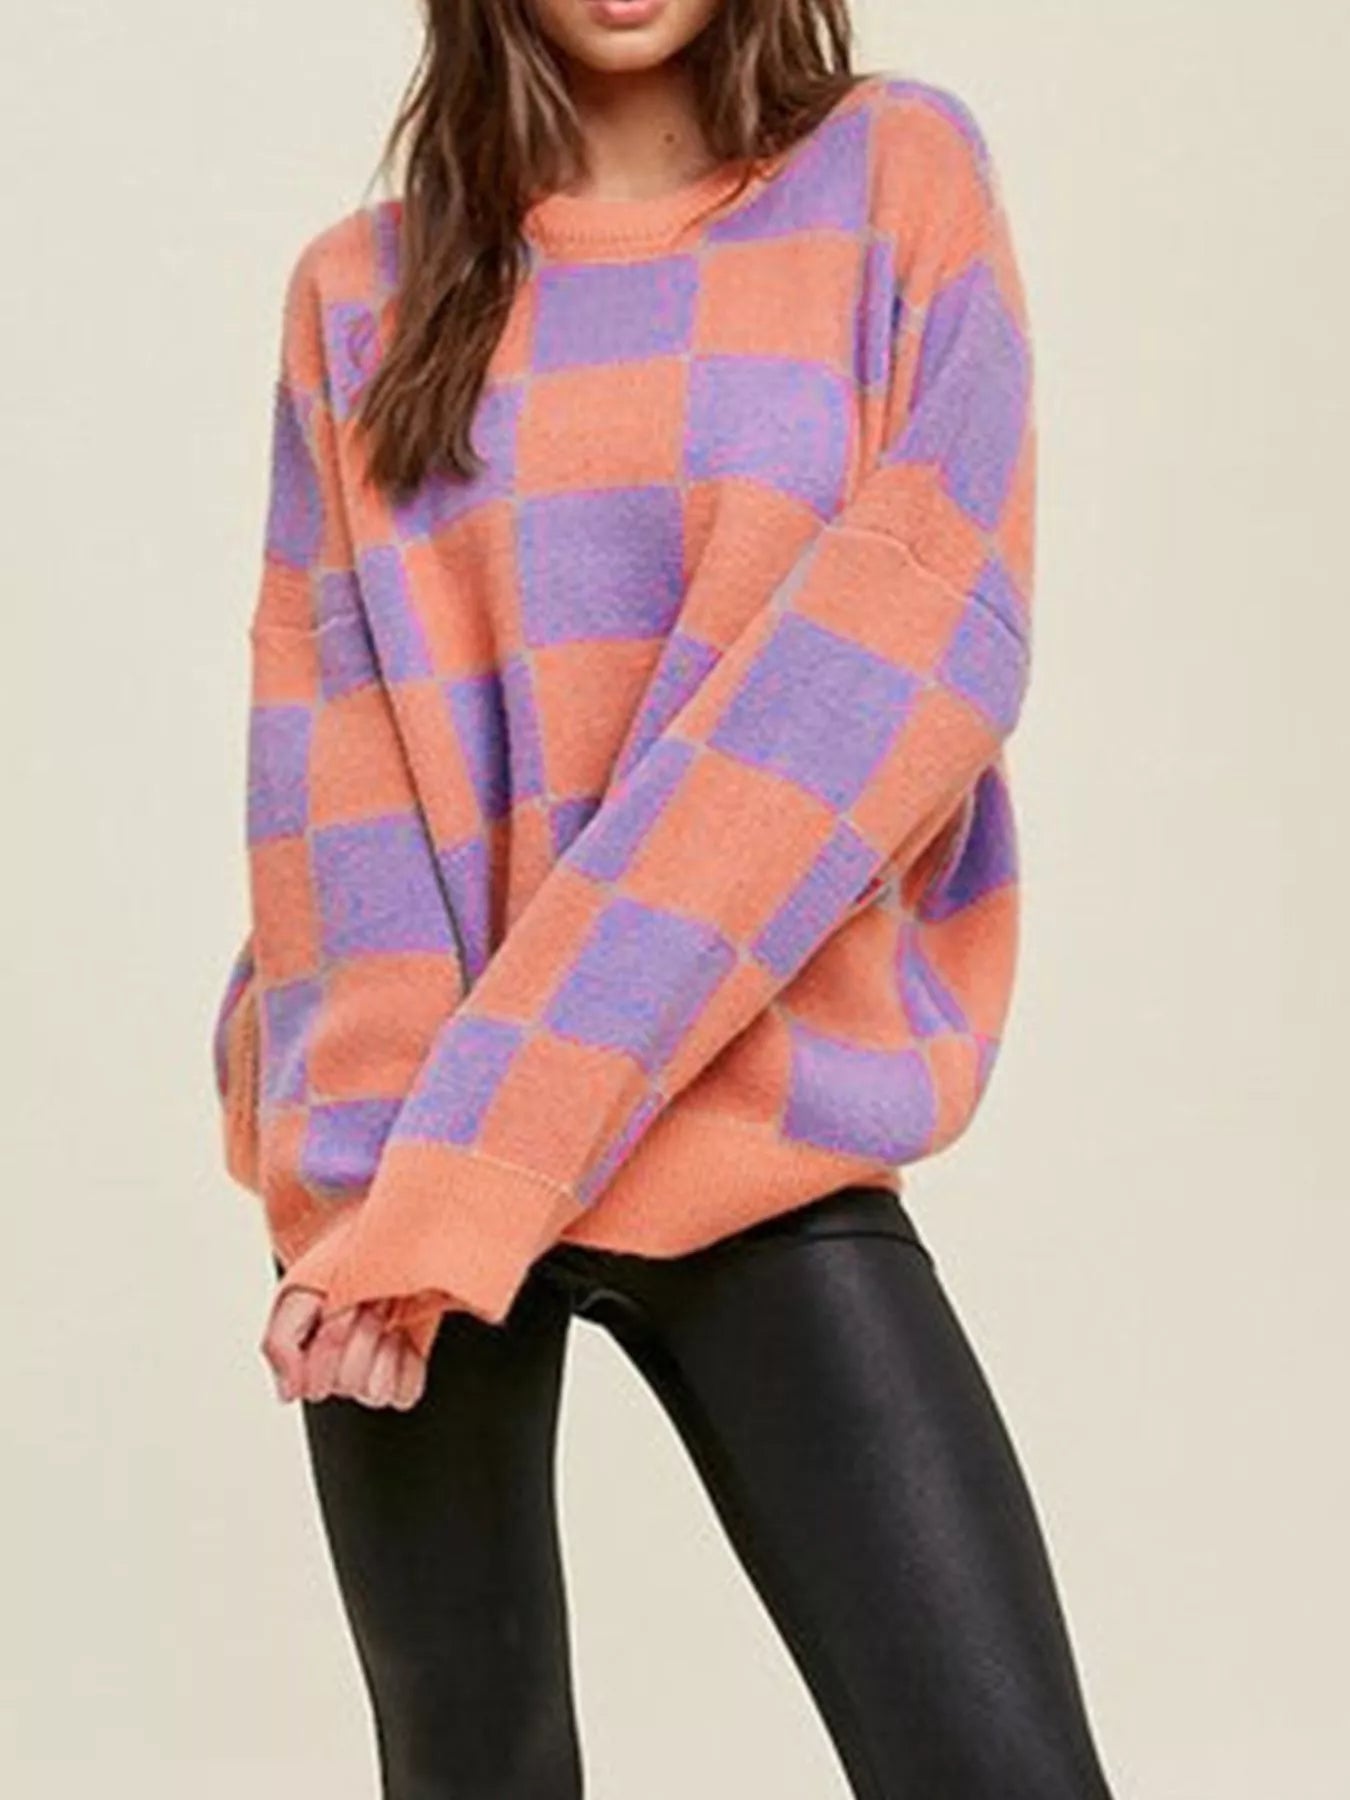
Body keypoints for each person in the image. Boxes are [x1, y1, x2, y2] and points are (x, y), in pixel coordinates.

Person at [210, 1, 1119, 1793]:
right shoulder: (358, 294)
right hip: (409, 1172)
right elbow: (334, 781)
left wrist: (490, 1148)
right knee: (471, 1768)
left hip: (738, 1115)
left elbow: (885, 678)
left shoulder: (890, 179)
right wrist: (376, 1201)